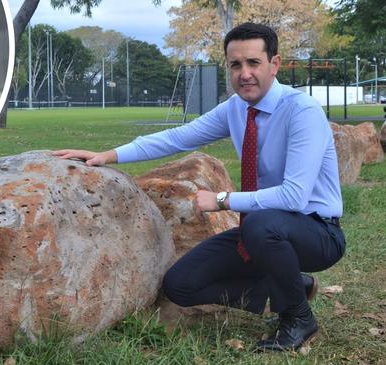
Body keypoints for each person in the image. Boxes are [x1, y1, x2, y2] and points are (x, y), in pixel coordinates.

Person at [53, 22, 345, 352]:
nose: (244, 74)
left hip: (318, 232)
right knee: (181, 284)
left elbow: (294, 196)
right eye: (235, 65)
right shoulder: (236, 109)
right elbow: (177, 137)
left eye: (253, 63)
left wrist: (221, 200)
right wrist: (109, 155)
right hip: (264, 229)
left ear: (274, 64)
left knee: (262, 225)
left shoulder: (301, 110)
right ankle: (291, 288)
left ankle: (298, 319)